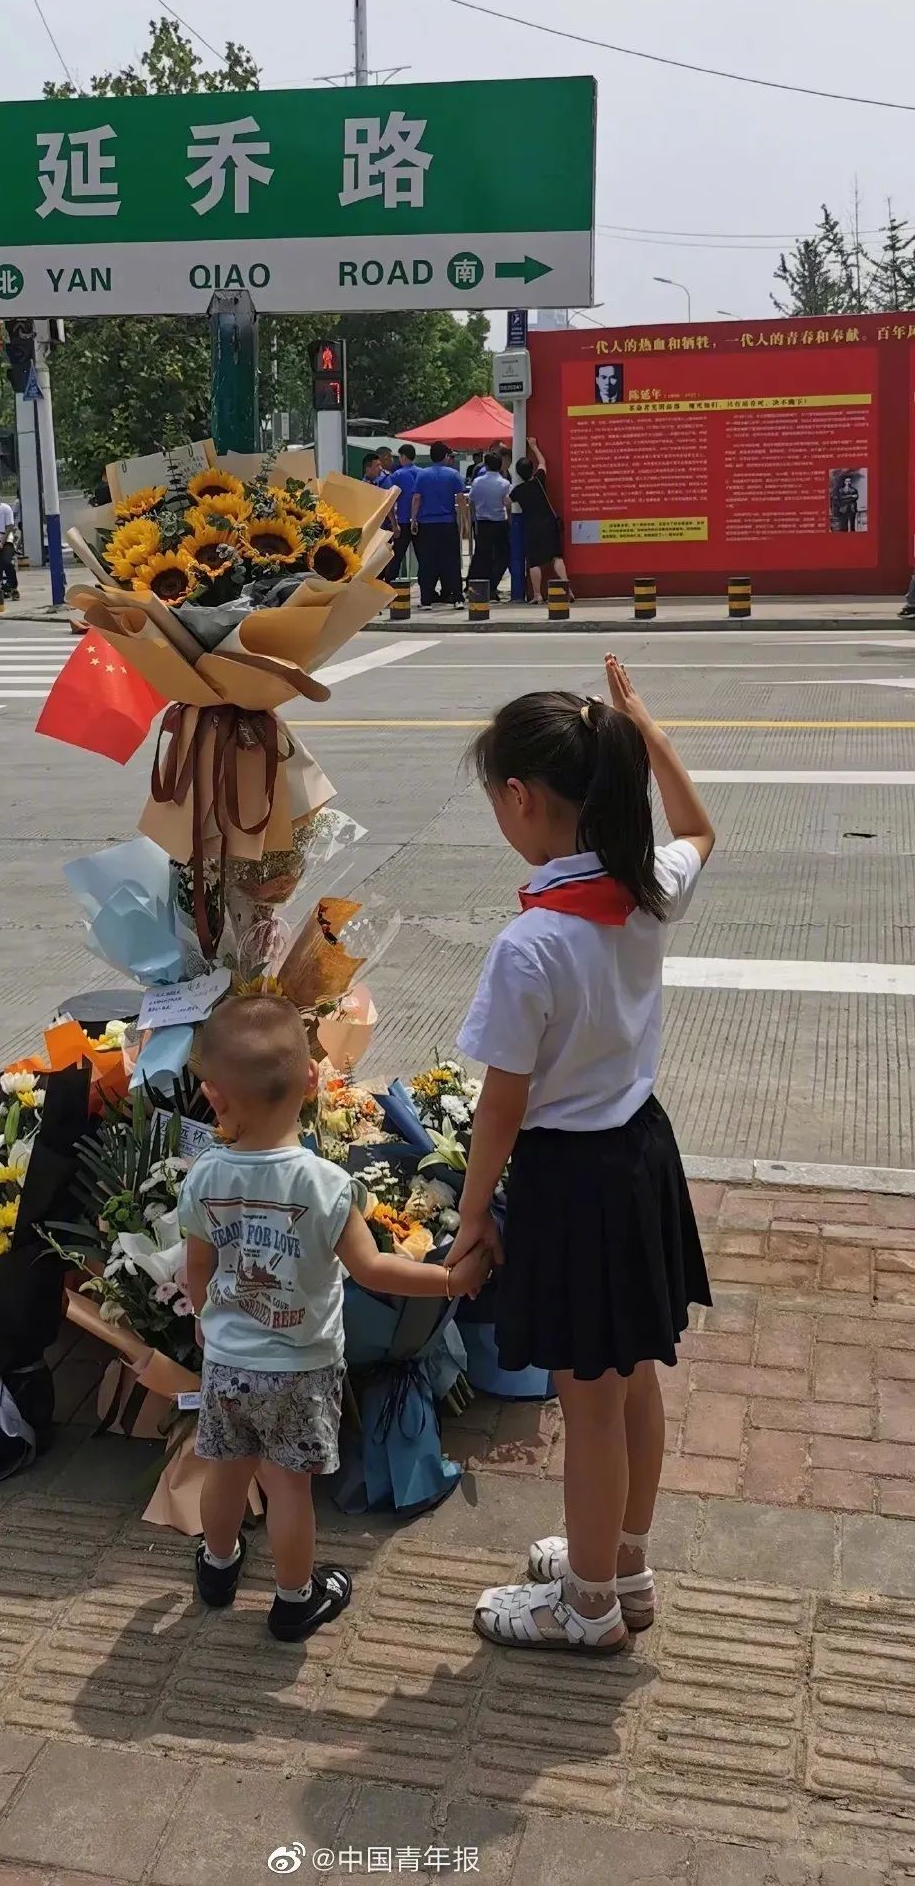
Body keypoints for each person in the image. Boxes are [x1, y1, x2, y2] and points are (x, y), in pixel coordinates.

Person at [443, 660, 715, 1654]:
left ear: (522, 798)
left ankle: (587, 1605)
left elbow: (501, 1105)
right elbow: (699, 830)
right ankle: (624, 1560)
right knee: (632, 1373)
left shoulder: (533, 943)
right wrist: (648, 725)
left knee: (587, 1401)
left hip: (572, 1175)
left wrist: (473, 1215)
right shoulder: (642, 885)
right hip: (640, 1155)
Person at [179, 995, 486, 1641]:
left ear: (215, 1097)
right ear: (314, 1079)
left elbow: (198, 1267)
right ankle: (294, 1598)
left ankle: (217, 1564)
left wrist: (207, 1317)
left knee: (227, 1468)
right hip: (299, 1365)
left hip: (230, 1361)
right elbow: (375, 1270)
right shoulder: (325, 1185)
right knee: (289, 1488)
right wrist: (450, 1276)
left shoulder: (204, 1176)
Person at [510, 437, 572, 607]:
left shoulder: (517, 491)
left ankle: (538, 595)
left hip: (532, 527)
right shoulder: (539, 480)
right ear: (531, 470)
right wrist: (534, 446)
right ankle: (566, 589)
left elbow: (507, 503)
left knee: (534, 561)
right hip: (550, 524)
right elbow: (543, 462)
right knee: (556, 557)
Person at [410, 441, 467, 608]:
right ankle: (457, 597)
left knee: (427, 562)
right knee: (452, 561)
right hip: (447, 523)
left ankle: (426, 599)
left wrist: (414, 519)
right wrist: (463, 521)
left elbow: (417, 498)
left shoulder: (422, 475)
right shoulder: (453, 474)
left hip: (427, 524)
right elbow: (460, 499)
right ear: (445, 456)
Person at [468, 448, 512, 598]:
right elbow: (507, 504)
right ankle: (492, 585)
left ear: (485, 465)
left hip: (482, 522)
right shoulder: (505, 484)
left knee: (482, 556)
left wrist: (474, 518)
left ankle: (478, 587)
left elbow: (471, 501)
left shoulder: (477, 482)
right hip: (500, 522)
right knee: (502, 556)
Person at [385, 442, 420, 584]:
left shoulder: (397, 475)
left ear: (403, 457)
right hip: (420, 521)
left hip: (403, 521)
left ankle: (389, 586)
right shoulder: (422, 473)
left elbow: (390, 500)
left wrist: (394, 524)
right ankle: (427, 590)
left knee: (396, 556)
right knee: (423, 558)